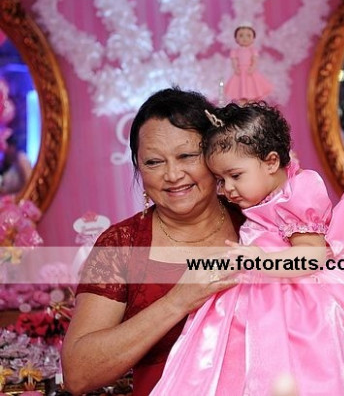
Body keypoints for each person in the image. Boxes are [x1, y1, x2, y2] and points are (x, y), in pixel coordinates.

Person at [151, 101, 344, 395]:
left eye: (235, 176)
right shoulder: (261, 196)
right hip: (261, 289)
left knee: (305, 364)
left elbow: (312, 256)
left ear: (271, 162)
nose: (227, 189)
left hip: (303, 296)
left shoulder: (298, 192)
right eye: (220, 180)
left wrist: (263, 260)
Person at [61, 87, 244, 396]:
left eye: (187, 156)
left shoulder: (257, 222)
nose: (172, 174)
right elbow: (78, 374)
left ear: (215, 155)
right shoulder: (121, 246)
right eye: (154, 162)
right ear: (138, 167)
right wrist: (178, 301)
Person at [224, 24, 273, 103]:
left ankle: (251, 103)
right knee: (240, 89)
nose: (245, 38)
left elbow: (255, 60)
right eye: (241, 35)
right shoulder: (235, 51)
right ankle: (242, 105)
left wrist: (252, 68)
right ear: (236, 38)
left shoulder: (253, 50)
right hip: (240, 73)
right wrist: (235, 68)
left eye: (248, 35)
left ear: (253, 39)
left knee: (252, 88)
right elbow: (234, 61)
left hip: (249, 72)